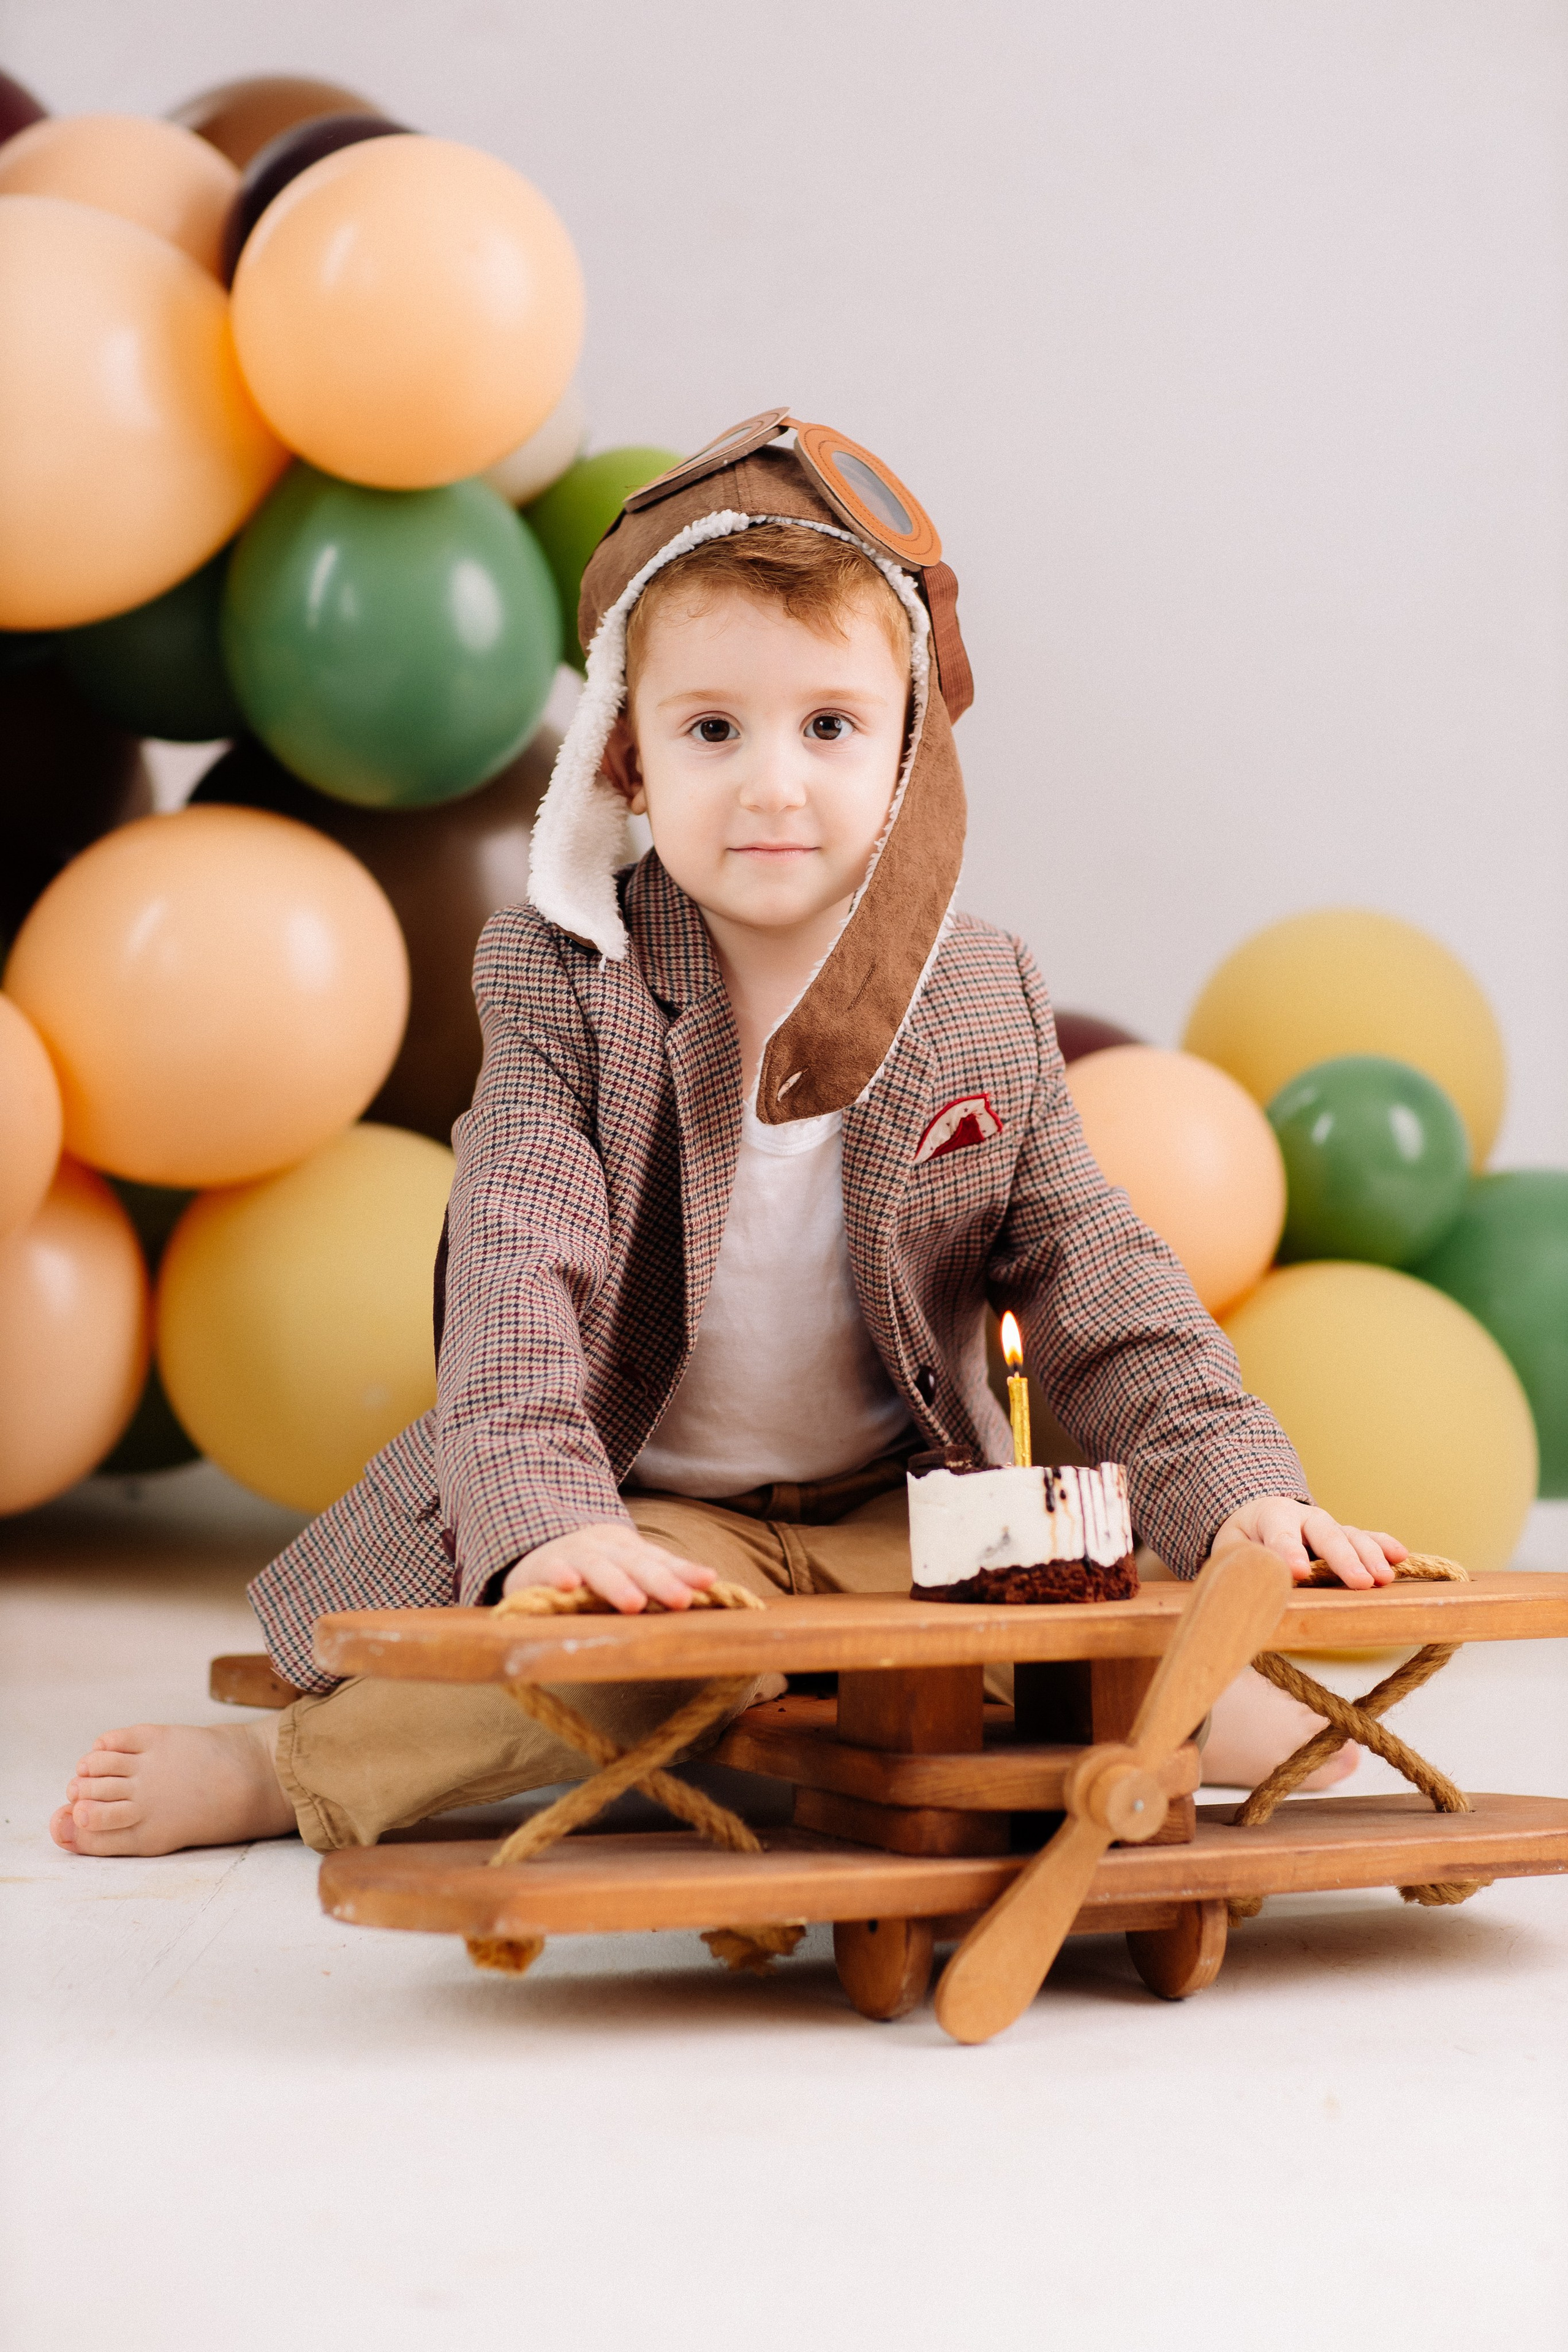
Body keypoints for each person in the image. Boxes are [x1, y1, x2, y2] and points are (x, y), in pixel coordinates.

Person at [51, 415, 1401, 1860]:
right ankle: (294, 1771)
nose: (772, 784)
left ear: (903, 759)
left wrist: (1241, 1491)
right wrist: (555, 1527)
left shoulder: (972, 991)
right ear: (626, 759)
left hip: (901, 1507)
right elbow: (515, 1263)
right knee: (607, 1656)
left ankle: (853, 1689)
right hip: (656, 1497)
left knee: (1195, 1693)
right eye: (713, 730)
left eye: (827, 726)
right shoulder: (570, 980)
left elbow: (1095, 1274)